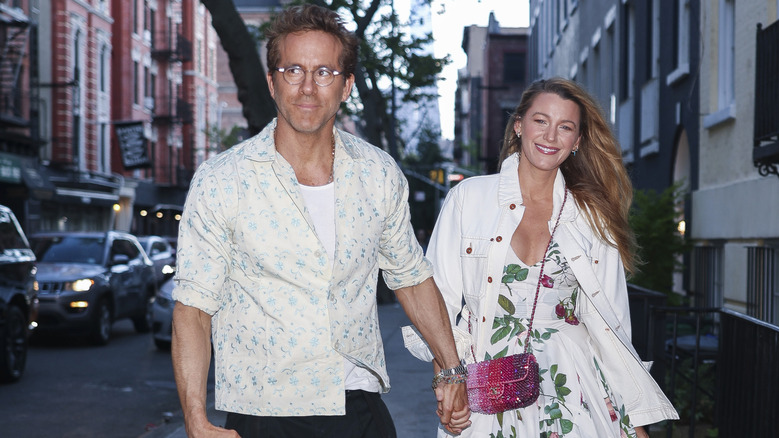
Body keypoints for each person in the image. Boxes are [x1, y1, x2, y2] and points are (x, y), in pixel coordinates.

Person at [170, 4, 469, 437]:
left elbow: (410, 277)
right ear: (273, 82)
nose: (308, 87)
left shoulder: (378, 173)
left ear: (346, 85)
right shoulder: (222, 181)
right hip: (263, 412)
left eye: (324, 72)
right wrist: (196, 419)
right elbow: (194, 307)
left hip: (359, 407)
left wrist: (451, 369)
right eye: (293, 70)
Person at [405, 77, 678, 437]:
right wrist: (448, 380)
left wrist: (633, 423)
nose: (551, 136)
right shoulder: (468, 199)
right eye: (541, 121)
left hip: (573, 386)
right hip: (488, 385)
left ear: (577, 141)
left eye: (565, 127)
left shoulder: (592, 217)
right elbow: (436, 303)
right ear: (518, 125)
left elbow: (614, 328)